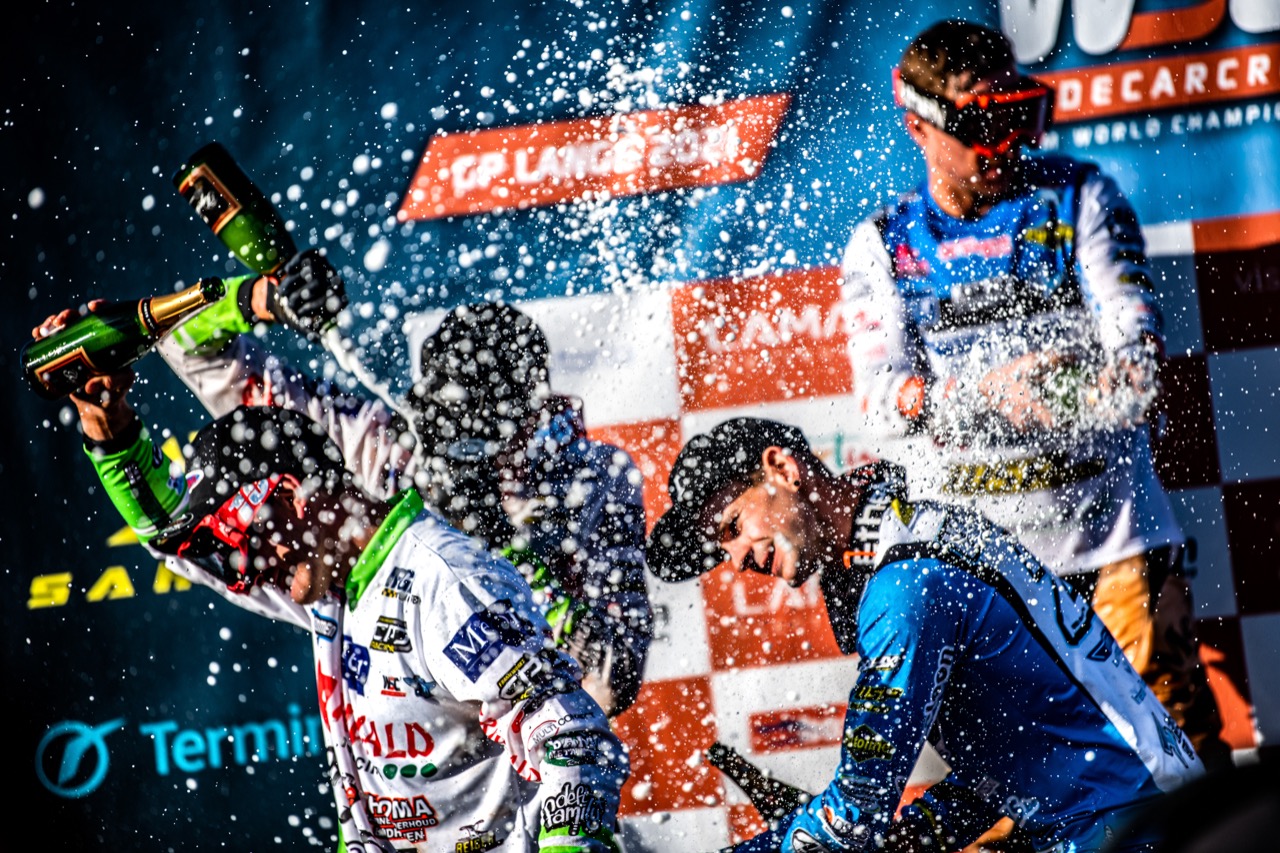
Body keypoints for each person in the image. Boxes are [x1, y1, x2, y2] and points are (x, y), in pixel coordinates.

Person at [838, 18, 1229, 771]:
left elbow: (1138, 369)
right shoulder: (883, 242)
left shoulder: (1079, 195)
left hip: (1117, 546)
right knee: (1012, 785)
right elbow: (881, 402)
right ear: (919, 127)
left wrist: (1059, 388)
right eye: (981, 125)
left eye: (1019, 116)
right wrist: (984, 395)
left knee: (1177, 761)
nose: (1006, 145)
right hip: (987, 574)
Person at [57, 362, 628, 853]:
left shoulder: (441, 580)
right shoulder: (333, 588)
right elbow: (175, 543)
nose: (246, 569)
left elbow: (573, 737)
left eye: (242, 541)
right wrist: (108, 428)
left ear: (294, 498)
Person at [646, 416, 1204, 853]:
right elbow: (1014, 753)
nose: (736, 560)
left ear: (782, 469)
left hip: (1127, 825)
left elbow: (853, 819)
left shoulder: (903, 587)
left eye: (733, 527)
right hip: (1126, 809)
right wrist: (911, 835)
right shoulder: (908, 533)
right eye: (721, 551)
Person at [152, 253, 653, 717]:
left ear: (534, 417)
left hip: (519, 760)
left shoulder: (594, 482)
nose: (467, 458)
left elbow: (611, 685)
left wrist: (503, 546)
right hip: (390, 726)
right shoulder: (380, 442)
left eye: (488, 443)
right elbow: (180, 342)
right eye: (451, 433)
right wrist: (259, 300)